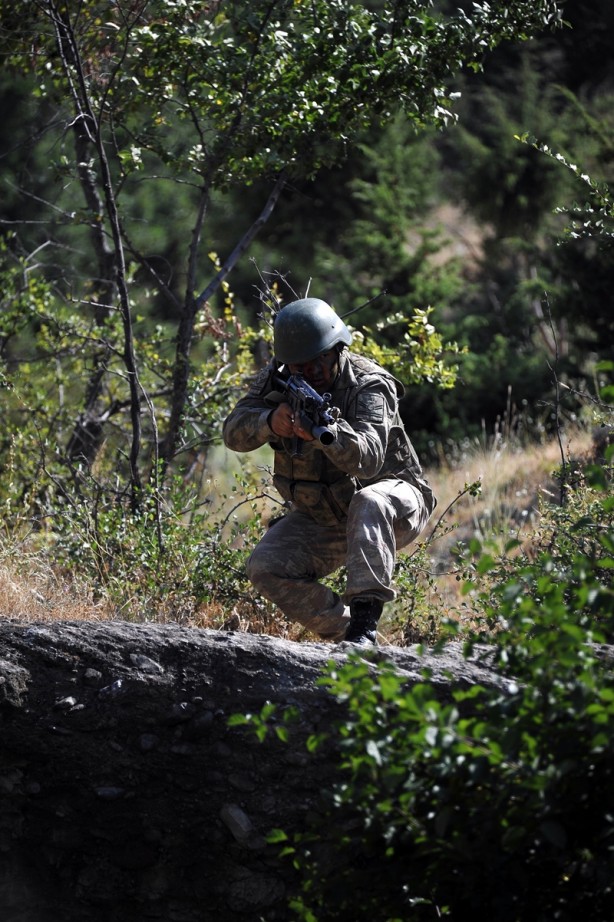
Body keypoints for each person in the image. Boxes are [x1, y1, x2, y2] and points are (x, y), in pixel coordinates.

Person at [222, 297, 436, 645]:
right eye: (300, 367)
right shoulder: (277, 377)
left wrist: (329, 436)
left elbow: (368, 459)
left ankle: (365, 626)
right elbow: (232, 432)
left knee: (370, 500)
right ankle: (350, 636)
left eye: (318, 363)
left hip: (395, 501)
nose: (311, 373)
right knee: (266, 565)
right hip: (328, 514)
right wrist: (269, 421)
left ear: (337, 349)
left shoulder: (370, 384)